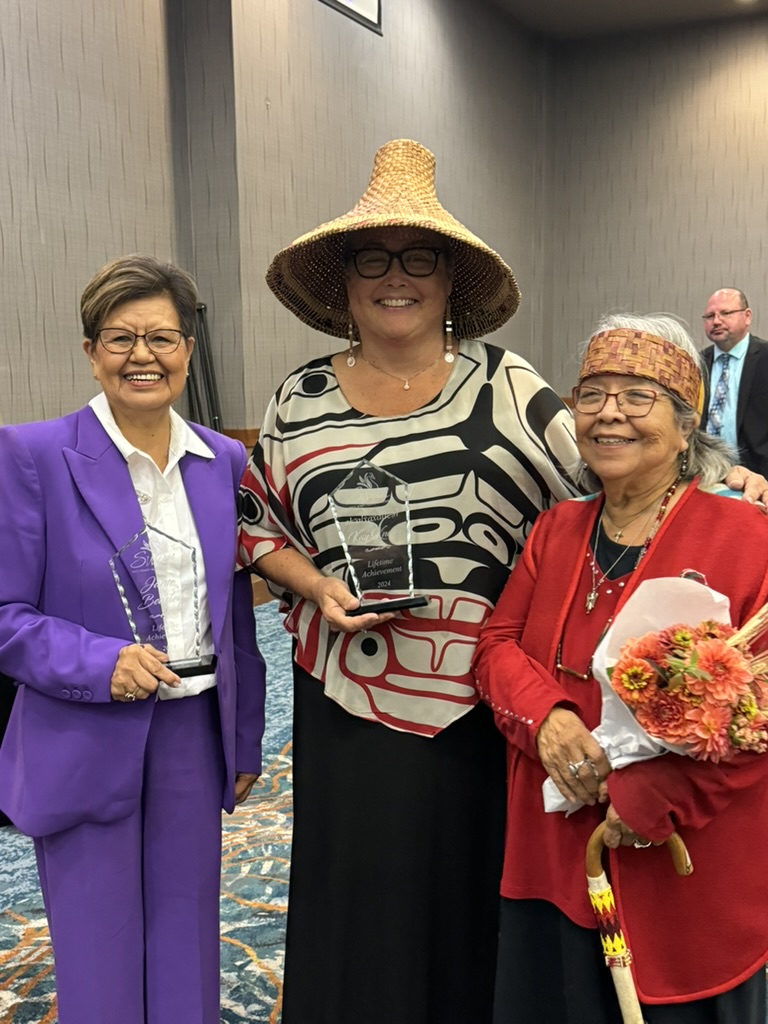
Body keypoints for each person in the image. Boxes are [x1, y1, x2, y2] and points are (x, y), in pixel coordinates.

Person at [238, 141, 767, 1024]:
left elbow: (620, 469)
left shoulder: (511, 387)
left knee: (479, 901)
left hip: (479, 709)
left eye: (421, 259)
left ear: (451, 281)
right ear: (344, 281)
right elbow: (257, 521)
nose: (396, 278)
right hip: (346, 689)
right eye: (374, 259)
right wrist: (315, 585)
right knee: (358, 898)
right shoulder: (298, 399)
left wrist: (726, 489)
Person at [472, 313, 768, 1024]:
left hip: (679, 854)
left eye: (638, 395)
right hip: (555, 849)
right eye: (592, 394)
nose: (609, 414)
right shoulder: (557, 529)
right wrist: (546, 720)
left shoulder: (746, 537)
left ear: (685, 418)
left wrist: (661, 794)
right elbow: (497, 646)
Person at [0, 254, 266, 1024]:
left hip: (193, 729)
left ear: (188, 350)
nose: (142, 356)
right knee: (99, 941)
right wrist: (101, 662)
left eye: (162, 337)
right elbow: (7, 614)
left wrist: (242, 739)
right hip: (84, 727)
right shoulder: (32, 455)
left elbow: (238, 618)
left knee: (188, 932)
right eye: (120, 338)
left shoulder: (226, 462)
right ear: (90, 351)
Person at [700, 287, 768, 475]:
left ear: (747, 316)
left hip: (760, 475)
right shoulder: (697, 363)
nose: (716, 321)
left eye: (725, 313)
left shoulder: (764, 357)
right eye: (709, 316)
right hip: (706, 473)